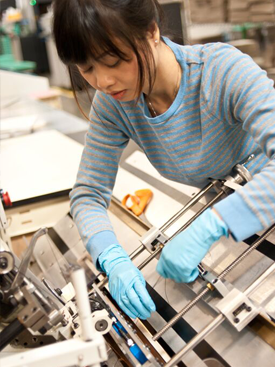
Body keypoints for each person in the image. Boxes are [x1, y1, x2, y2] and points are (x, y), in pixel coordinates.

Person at [53, 0, 275, 320]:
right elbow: (88, 194)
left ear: (151, 31)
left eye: (113, 61)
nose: (103, 81)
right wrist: (111, 258)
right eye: (86, 68)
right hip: (243, 233)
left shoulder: (222, 71)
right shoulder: (113, 105)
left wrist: (214, 224)